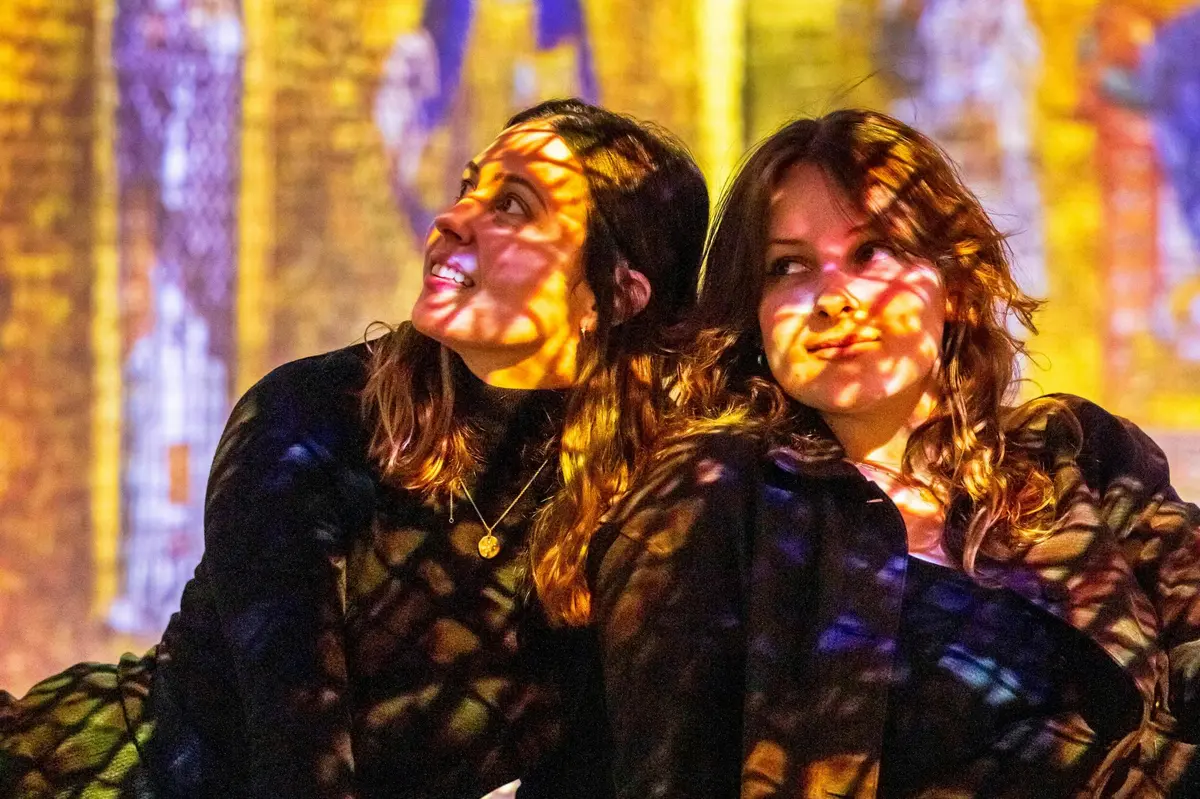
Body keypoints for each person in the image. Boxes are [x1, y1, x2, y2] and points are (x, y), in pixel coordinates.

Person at [0, 98, 710, 799]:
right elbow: (296, 757)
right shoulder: (310, 419)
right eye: (470, 189)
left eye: (512, 207)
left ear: (616, 295)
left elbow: (585, 769)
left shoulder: (644, 495)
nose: (451, 218)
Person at [590, 109, 1200, 798]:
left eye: (871, 252)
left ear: (955, 284)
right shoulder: (711, 499)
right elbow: (667, 769)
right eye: (788, 267)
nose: (833, 299)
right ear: (752, 316)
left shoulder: (1076, 452)